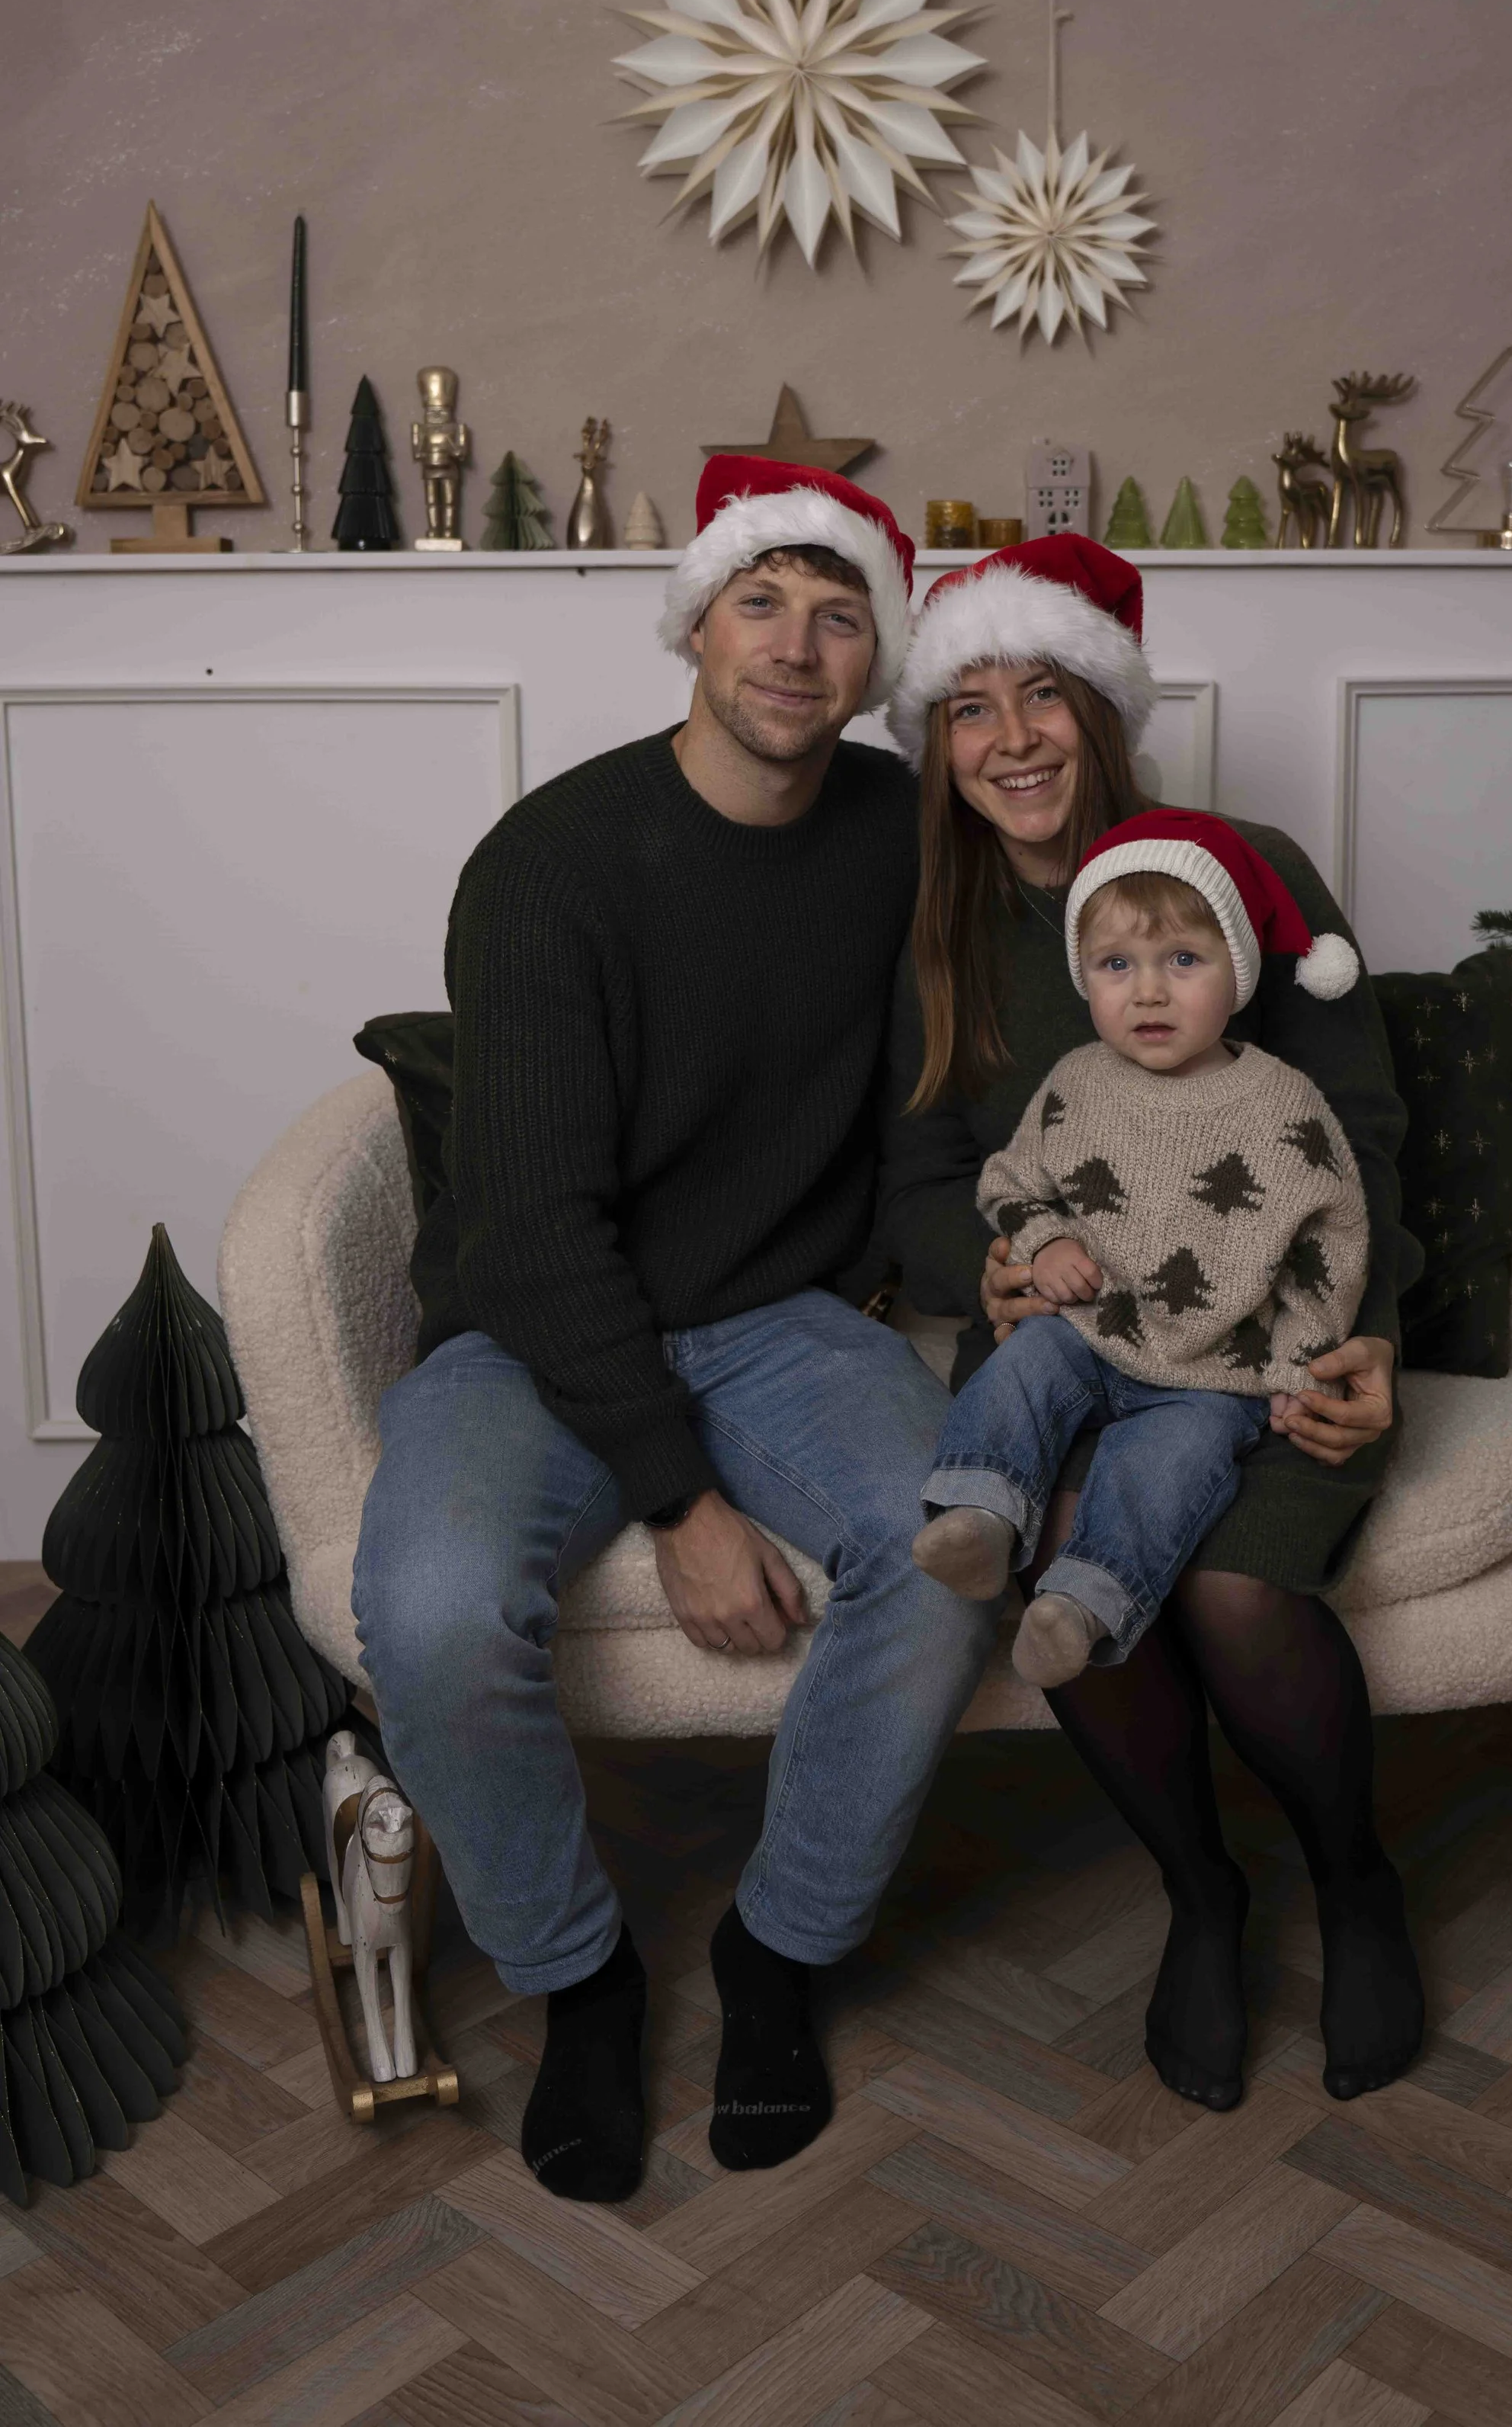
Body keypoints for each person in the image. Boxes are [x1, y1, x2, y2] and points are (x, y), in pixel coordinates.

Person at [353, 457, 997, 2205]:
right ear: (696, 627)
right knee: (431, 1609)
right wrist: (682, 1502)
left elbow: (956, 1090)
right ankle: (580, 1978)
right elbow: (533, 1228)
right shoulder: (551, 864)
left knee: (949, 1549)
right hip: (538, 1328)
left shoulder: (901, 837)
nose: (795, 643)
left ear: (877, 661)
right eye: (759, 602)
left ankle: (780, 1947)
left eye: (839, 614)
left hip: (782, 1319)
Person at [879, 534, 1427, 2106]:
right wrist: (985, 1264)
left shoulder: (1242, 872)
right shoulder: (937, 931)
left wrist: (1373, 1340)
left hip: (1268, 1336)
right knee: (1060, 1559)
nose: (1011, 739)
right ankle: (1200, 1892)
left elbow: (1358, 1139)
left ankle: (1354, 1882)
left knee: (1238, 1594)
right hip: (1068, 1340)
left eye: (1043, 694)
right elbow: (920, 1176)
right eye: (969, 707)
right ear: (939, 742)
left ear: (1103, 709)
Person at [916, 810, 1368, 1692]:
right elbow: (1010, 1181)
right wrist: (1043, 1240)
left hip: (1212, 1374)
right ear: (1084, 977)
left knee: (1168, 1465)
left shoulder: (1284, 1107)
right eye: (1116, 966)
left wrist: (1298, 1366)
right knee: (1022, 1366)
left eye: (1183, 961)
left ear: (1236, 972)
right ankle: (979, 1512)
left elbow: (1330, 1245)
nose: (1149, 993)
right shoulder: (1076, 1082)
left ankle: (1081, 1605)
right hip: (1086, 1330)